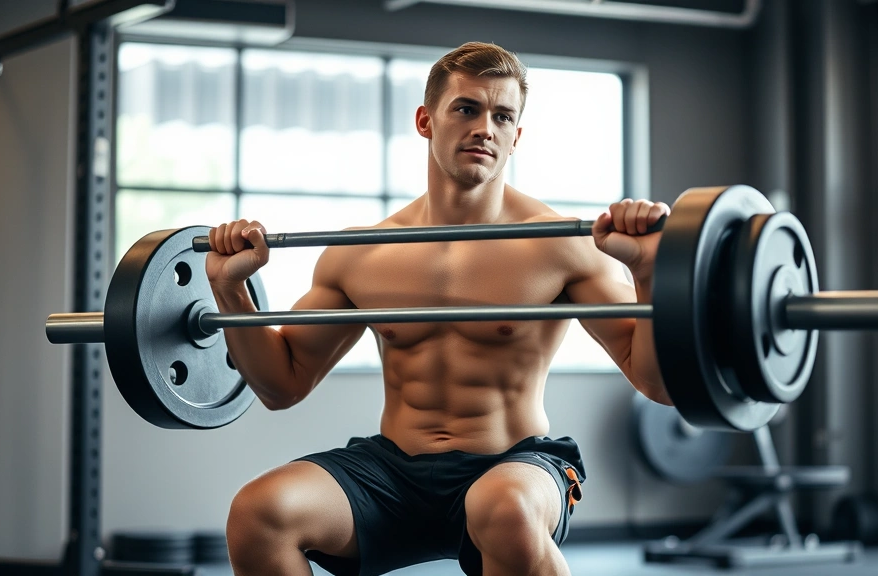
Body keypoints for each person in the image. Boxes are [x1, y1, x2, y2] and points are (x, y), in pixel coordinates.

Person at [206, 41, 672, 576]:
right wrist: (229, 291)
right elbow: (282, 385)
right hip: (394, 472)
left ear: (516, 137)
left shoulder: (560, 245)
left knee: (504, 509)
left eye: (502, 117)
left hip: (515, 465)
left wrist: (648, 275)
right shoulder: (365, 253)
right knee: (258, 513)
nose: (485, 129)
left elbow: (654, 382)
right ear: (426, 120)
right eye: (467, 109)